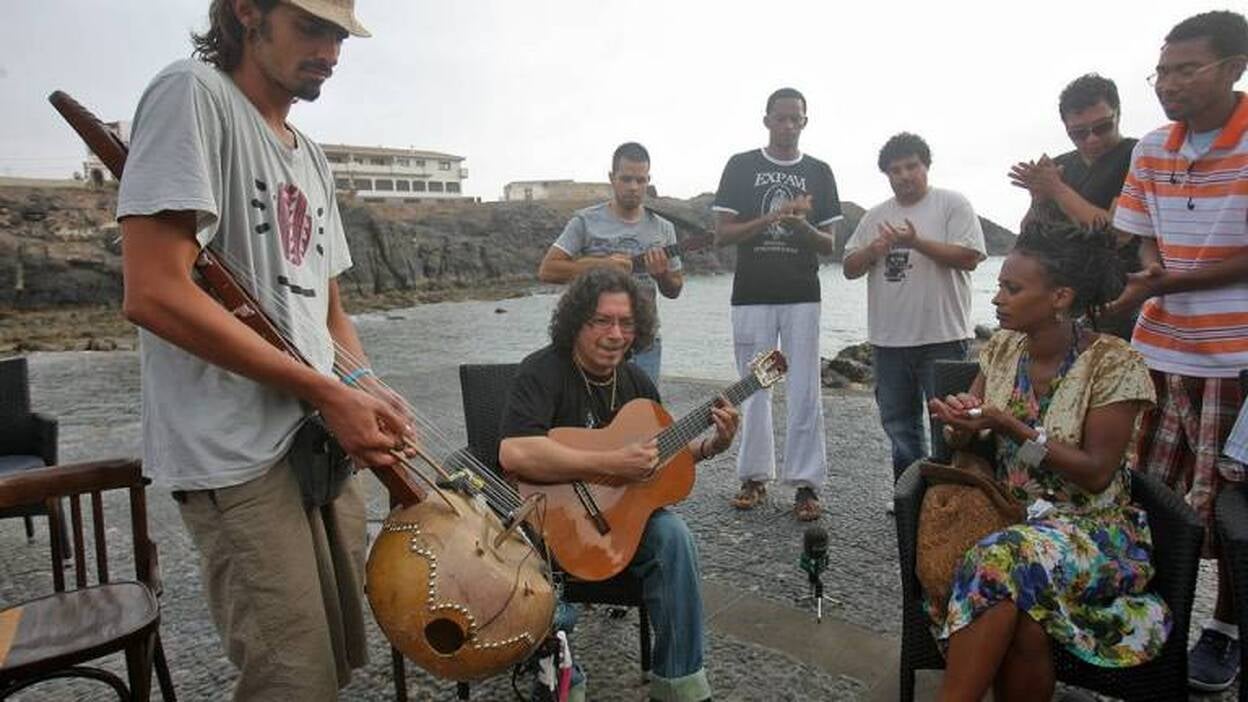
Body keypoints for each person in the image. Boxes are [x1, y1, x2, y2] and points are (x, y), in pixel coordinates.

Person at [116, 1, 408, 698]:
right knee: (290, 677)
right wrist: (325, 391)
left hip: (313, 437)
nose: (331, 53)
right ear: (248, 11)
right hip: (234, 450)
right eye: (312, 28)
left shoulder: (307, 155)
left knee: (329, 664)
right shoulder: (194, 95)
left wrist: (362, 381)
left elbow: (325, 309)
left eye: (339, 34)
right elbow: (153, 290)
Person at [926, 218, 1170, 702]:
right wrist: (958, 422)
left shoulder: (1114, 363)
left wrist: (1011, 427)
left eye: (1012, 288)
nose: (997, 299)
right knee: (1027, 623)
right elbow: (969, 434)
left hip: (1094, 532)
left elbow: (1098, 473)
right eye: (999, 286)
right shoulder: (1000, 349)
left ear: (1060, 297)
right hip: (1010, 517)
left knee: (998, 561)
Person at [498, 267, 738, 702]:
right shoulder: (543, 371)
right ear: (577, 323)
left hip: (616, 525)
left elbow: (655, 466)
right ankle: (565, 675)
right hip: (546, 527)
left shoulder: (637, 384)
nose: (615, 334)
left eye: (626, 323)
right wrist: (609, 461)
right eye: (602, 321)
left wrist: (709, 447)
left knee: (674, 536)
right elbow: (514, 453)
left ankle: (680, 684)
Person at [1108, 10, 1248, 692]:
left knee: (1229, 505)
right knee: (1150, 490)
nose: (1168, 84)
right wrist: (1154, 271)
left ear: (1232, 68)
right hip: (1160, 346)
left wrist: (1176, 279)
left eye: (1184, 70)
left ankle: (1225, 630)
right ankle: (1154, 616)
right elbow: (1141, 234)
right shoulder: (1152, 149)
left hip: (1235, 355)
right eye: (1161, 71)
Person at [711, 87, 842, 521]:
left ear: (806, 121)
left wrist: (799, 224)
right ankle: (754, 477)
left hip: (802, 295)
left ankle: (806, 485)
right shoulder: (741, 166)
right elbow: (723, 234)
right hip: (752, 295)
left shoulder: (820, 172)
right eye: (780, 118)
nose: (788, 125)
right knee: (755, 387)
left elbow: (828, 244)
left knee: (805, 387)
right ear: (766, 119)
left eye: (796, 119)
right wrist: (772, 216)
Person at [843, 133, 986, 500]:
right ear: (886, 175)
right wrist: (875, 249)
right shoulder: (875, 216)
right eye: (895, 170)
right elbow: (849, 267)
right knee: (899, 426)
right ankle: (910, 494)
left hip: (943, 335)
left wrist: (915, 242)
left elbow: (970, 257)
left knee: (951, 423)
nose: (904, 175)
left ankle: (951, 494)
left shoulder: (952, 204)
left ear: (926, 166)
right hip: (889, 340)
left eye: (912, 166)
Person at [537, 142, 683, 382]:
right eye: (626, 179)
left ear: (648, 180)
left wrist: (662, 275)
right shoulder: (585, 221)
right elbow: (548, 270)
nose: (634, 187)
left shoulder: (664, 227)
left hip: (644, 343)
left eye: (640, 180)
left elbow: (675, 289)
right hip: (592, 342)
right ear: (612, 178)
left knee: (644, 416)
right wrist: (602, 266)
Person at [1010, 73, 1141, 340]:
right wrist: (1039, 196)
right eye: (1079, 133)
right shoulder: (1060, 166)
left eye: (1102, 127)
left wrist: (1057, 189)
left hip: (1120, 299)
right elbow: (1030, 237)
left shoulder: (1137, 156)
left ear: (1118, 114)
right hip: (1065, 301)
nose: (1091, 139)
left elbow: (1119, 234)